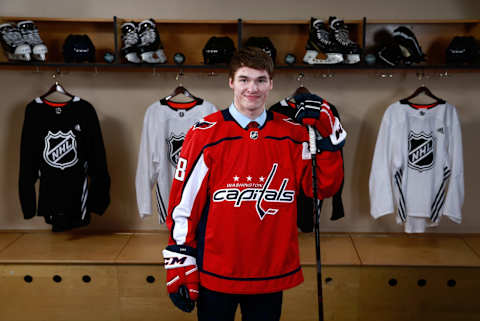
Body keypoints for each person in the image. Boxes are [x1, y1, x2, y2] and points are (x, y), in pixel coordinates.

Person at [162, 47, 345, 321]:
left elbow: (320, 188)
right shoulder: (205, 133)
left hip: (269, 271)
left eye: (260, 80)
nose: (253, 88)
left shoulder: (293, 134)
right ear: (231, 81)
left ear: (271, 83)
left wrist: (330, 136)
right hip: (217, 269)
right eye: (245, 79)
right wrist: (179, 257)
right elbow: (183, 205)